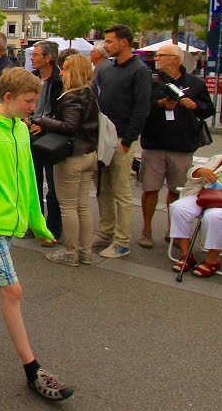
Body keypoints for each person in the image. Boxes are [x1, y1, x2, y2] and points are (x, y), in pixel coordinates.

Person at [0, 67, 74, 401]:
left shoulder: (22, 129)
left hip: (11, 222)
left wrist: (38, 223)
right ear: (8, 97)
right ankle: (32, 369)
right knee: (13, 291)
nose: (32, 106)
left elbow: (28, 182)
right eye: (28, 100)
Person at [137, 43, 214, 248]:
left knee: (176, 190)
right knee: (150, 189)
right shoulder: (152, 83)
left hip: (182, 145)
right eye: (156, 55)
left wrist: (195, 105)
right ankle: (146, 229)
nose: (157, 58)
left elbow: (208, 110)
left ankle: (172, 229)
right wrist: (159, 104)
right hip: (154, 143)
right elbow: (141, 107)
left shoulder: (196, 84)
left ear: (176, 59)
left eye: (162, 55)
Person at [33, 54, 101, 266]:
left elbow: (70, 125)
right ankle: (85, 251)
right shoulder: (89, 93)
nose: (61, 73)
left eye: (65, 70)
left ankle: (71, 252)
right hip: (88, 153)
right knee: (83, 206)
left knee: (69, 207)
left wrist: (43, 121)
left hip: (72, 156)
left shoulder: (71, 96)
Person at [93, 24, 152, 258]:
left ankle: (122, 240)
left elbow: (141, 107)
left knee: (121, 191)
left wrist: (128, 139)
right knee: (103, 187)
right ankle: (105, 231)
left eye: (109, 41)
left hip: (121, 139)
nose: (106, 45)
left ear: (124, 42)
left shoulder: (139, 71)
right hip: (103, 137)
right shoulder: (107, 70)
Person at [169, 147, 222, 278]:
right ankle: (186, 255)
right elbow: (191, 173)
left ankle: (213, 260)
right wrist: (200, 171)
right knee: (178, 207)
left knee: (214, 216)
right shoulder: (221, 158)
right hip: (207, 195)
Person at [27, 40, 63, 241]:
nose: (32, 58)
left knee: (53, 186)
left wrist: (45, 124)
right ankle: (35, 223)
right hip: (31, 134)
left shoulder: (59, 80)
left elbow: (62, 111)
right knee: (33, 182)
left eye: (36, 55)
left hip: (50, 138)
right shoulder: (33, 78)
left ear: (48, 58)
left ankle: (53, 229)